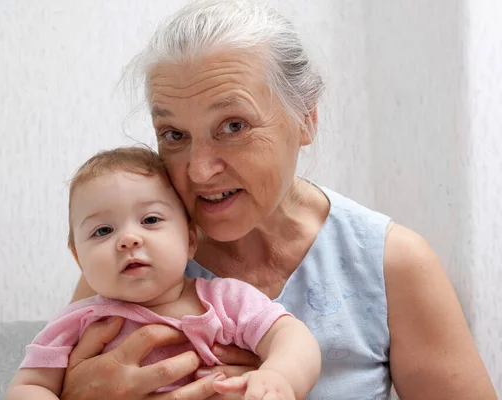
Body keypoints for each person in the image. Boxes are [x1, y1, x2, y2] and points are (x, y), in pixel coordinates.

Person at [59, 1, 498, 399]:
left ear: (306, 118)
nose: (199, 169)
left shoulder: (390, 262)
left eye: (233, 126)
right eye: (174, 136)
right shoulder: (134, 259)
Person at [6, 147, 321, 400]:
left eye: (151, 219)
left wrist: (279, 377)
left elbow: (291, 336)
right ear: (79, 259)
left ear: (191, 240)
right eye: (103, 230)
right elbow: (29, 385)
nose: (129, 239)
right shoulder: (78, 323)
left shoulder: (224, 300)